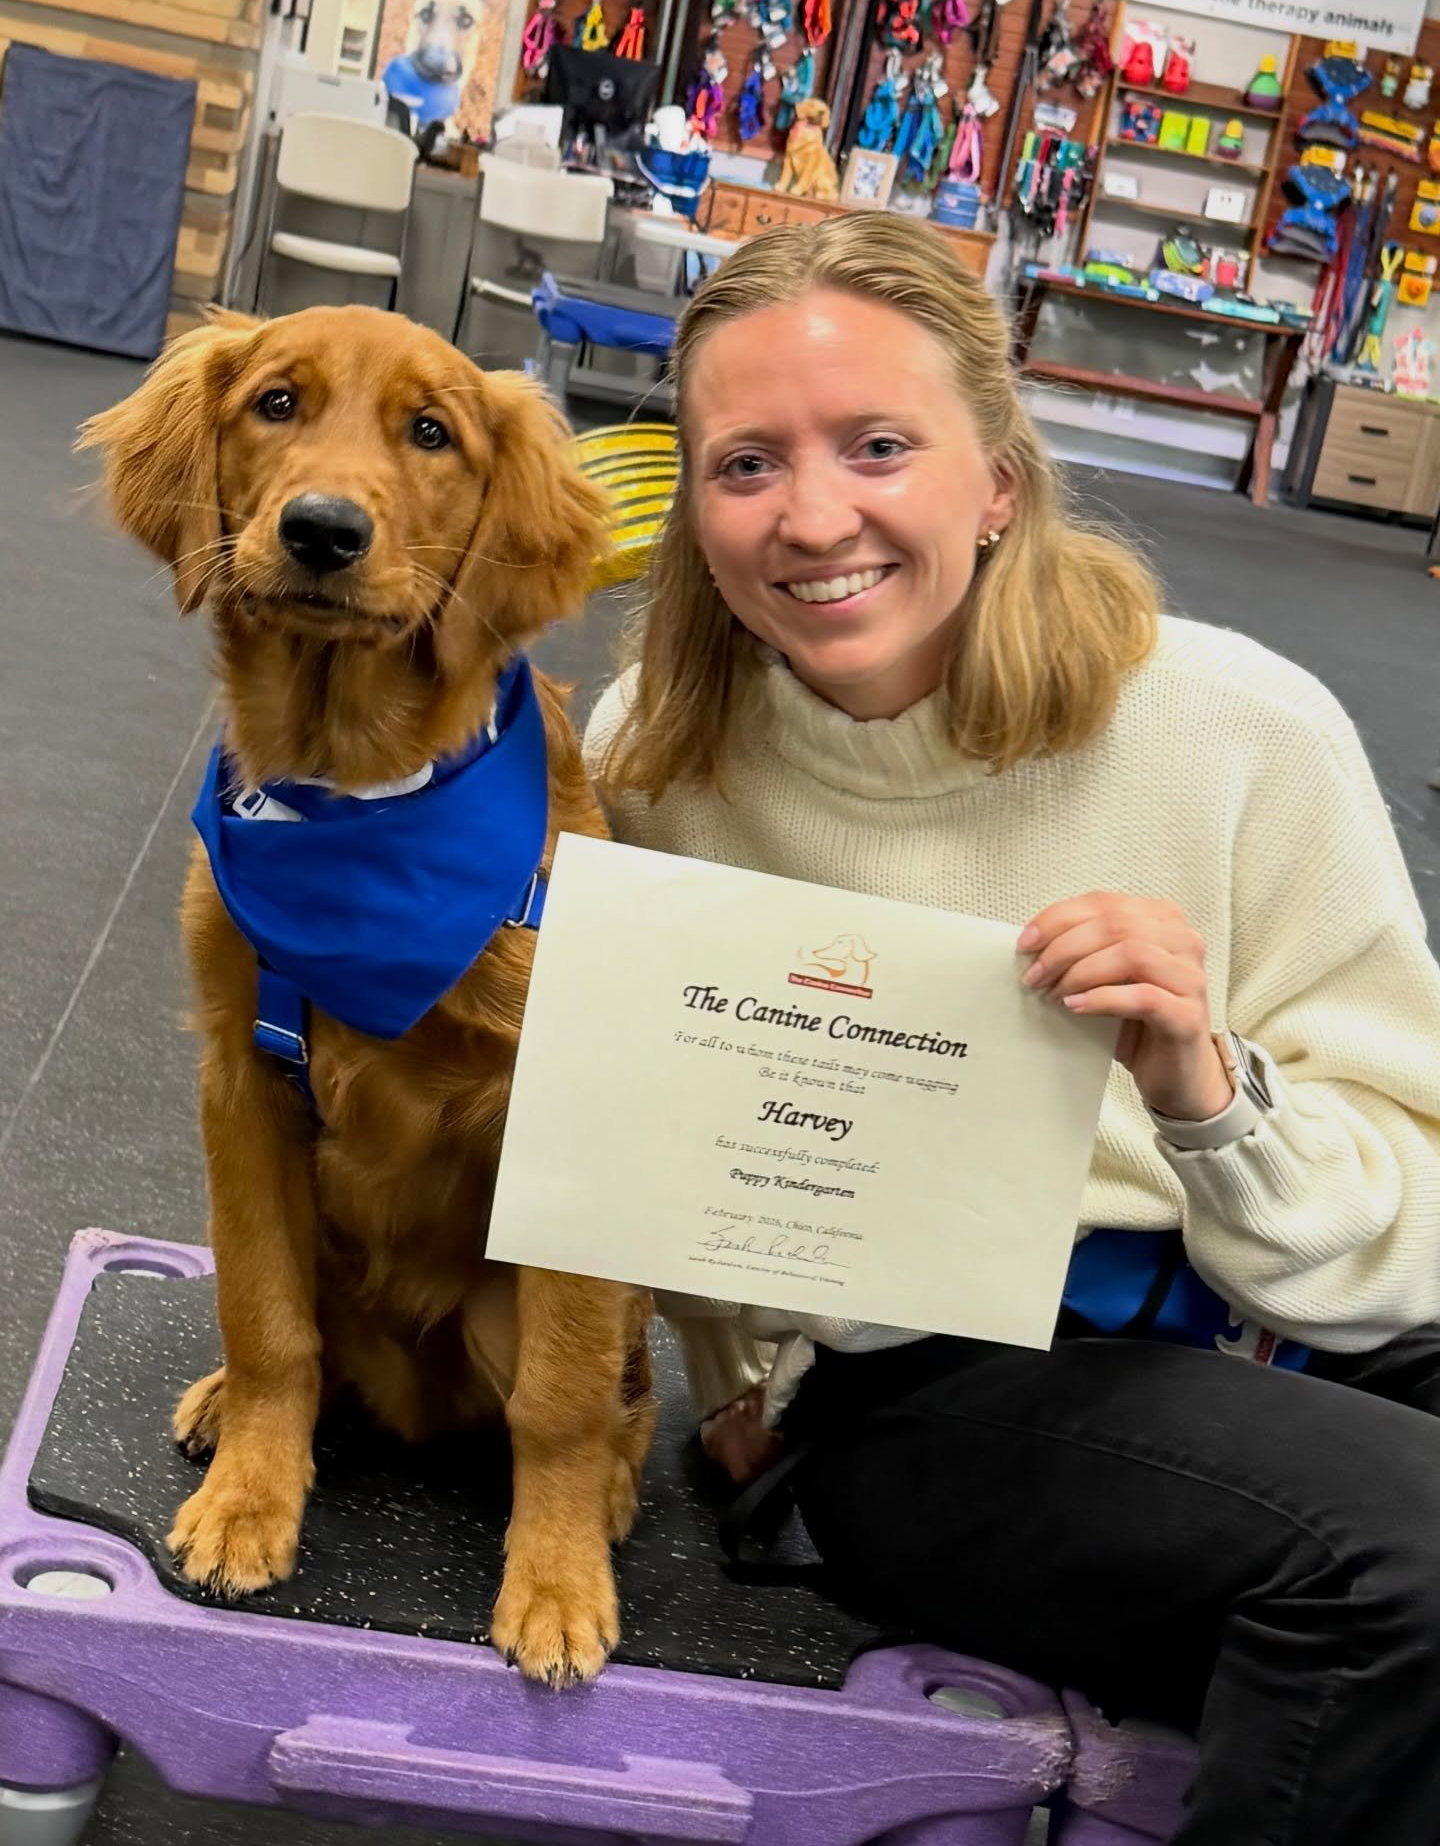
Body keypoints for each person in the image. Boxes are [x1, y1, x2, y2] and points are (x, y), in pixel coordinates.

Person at [581, 210, 1440, 1846]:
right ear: (692, 512)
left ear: (998, 478)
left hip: (1272, 1306)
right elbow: (626, 1143)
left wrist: (1211, 1095)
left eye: (879, 445)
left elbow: (1418, 1210)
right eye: (743, 464)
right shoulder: (655, 760)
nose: (812, 516)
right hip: (928, 1394)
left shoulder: (1240, 727)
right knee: (1407, 1564)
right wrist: (739, 1367)